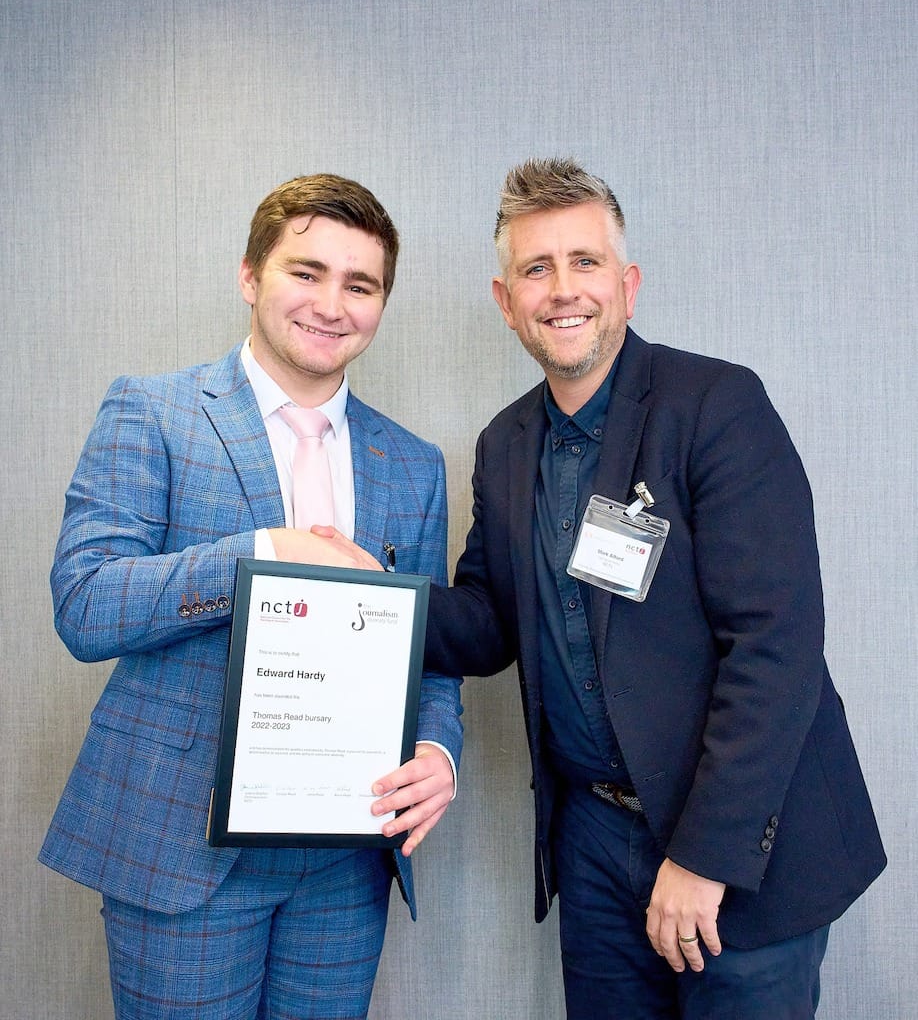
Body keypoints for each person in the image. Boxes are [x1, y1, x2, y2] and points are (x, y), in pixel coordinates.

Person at [422, 158, 886, 1020]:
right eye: (536, 268)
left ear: (627, 285)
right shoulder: (504, 445)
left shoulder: (716, 406)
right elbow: (487, 622)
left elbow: (776, 646)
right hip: (595, 843)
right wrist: (366, 599)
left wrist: (705, 857)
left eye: (585, 261)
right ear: (506, 301)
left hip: (738, 839)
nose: (564, 289)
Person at [40, 173, 463, 1020]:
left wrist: (438, 751)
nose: (331, 305)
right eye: (306, 272)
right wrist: (264, 553)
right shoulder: (152, 411)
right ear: (249, 276)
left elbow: (430, 651)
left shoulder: (413, 464)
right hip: (182, 847)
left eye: (361, 285)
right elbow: (86, 604)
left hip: (346, 861)